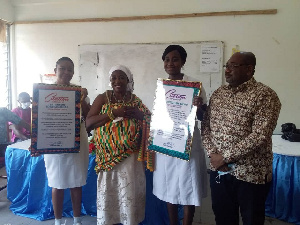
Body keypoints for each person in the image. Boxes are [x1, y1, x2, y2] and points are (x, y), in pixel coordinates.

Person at [201, 51, 281, 225]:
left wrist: (225, 157)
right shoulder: (218, 94)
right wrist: (212, 155)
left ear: (249, 69)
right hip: (220, 170)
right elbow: (206, 127)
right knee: (223, 218)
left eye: (233, 66)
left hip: (251, 174)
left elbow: (260, 134)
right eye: (226, 66)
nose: (227, 70)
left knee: (252, 220)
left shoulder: (265, 95)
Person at [86, 65, 153, 225]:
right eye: (114, 77)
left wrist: (140, 115)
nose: (117, 81)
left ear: (128, 80)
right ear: (110, 80)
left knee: (129, 191)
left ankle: (129, 221)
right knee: (109, 192)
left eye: (121, 77)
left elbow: (150, 120)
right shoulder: (103, 98)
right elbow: (88, 123)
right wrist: (114, 113)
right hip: (106, 158)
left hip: (130, 158)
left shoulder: (135, 100)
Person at [152, 45, 208, 225]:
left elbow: (202, 117)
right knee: (169, 186)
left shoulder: (195, 85)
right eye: (167, 59)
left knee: (188, 186)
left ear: (183, 62)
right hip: (167, 142)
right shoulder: (161, 86)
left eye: (175, 59)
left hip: (187, 144)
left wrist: (199, 106)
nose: (170, 63)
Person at [42, 57, 90, 225]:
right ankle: (58, 220)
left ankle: (77, 220)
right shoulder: (44, 92)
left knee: (76, 182)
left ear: (73, 72)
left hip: (77, 140)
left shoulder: (79, 92)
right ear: (55, 70)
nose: (66, 72)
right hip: (54, 141)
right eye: (62, 68)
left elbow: (89, 116)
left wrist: (83, 98)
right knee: (57, 182)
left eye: (70, 69)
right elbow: (39, 119)